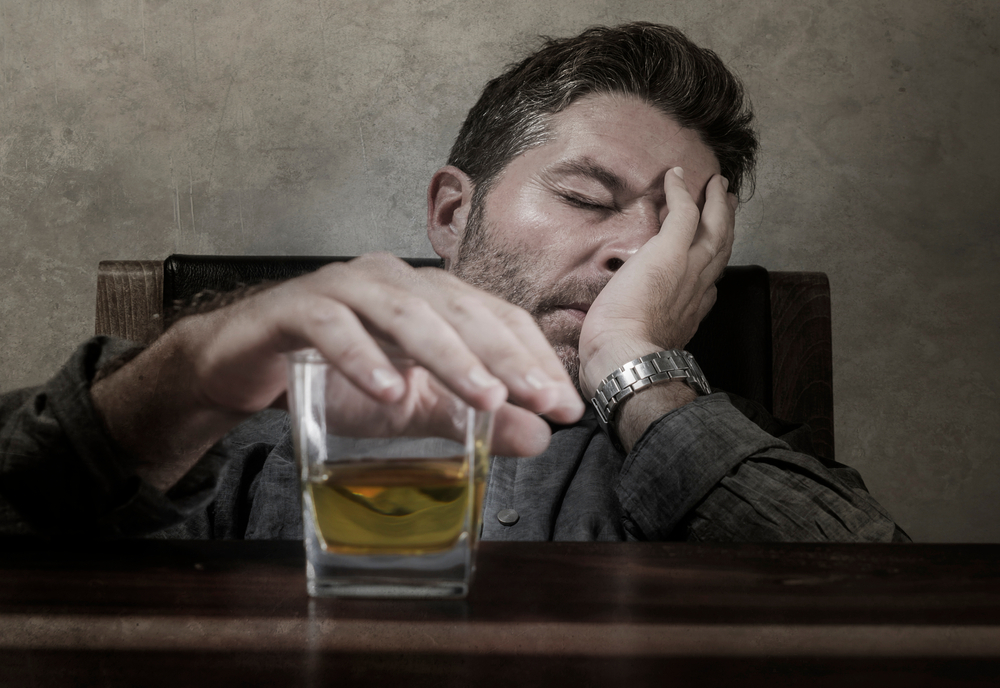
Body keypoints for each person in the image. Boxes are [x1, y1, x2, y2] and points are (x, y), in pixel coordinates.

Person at [0, 23, 908, 542]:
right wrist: (192, 369)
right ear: (450, 214)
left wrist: (636, 365)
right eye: (586, 198)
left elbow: (891, 612)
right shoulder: (247, 442)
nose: (637, 252)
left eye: (673, 235)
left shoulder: (739, 462)